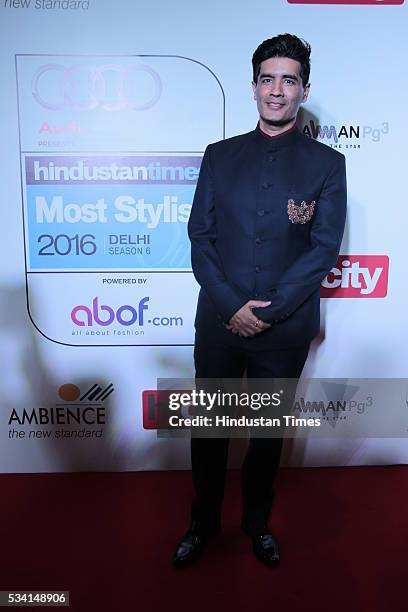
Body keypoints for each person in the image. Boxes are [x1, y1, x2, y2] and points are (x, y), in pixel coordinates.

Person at [172, 33, 347, 568]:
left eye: (288, 80)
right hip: (219, 324)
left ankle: (256, 524)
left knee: (266, 437)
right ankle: (202, 525)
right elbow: (199, 239)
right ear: (253, 87)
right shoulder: (219, 156)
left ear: (304, 88)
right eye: (268, 79)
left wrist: (268, 310)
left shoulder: (327, 164)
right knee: (211, 433)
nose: (277, 90)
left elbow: (321, 250)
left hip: (285, 330)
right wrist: (231, 307)